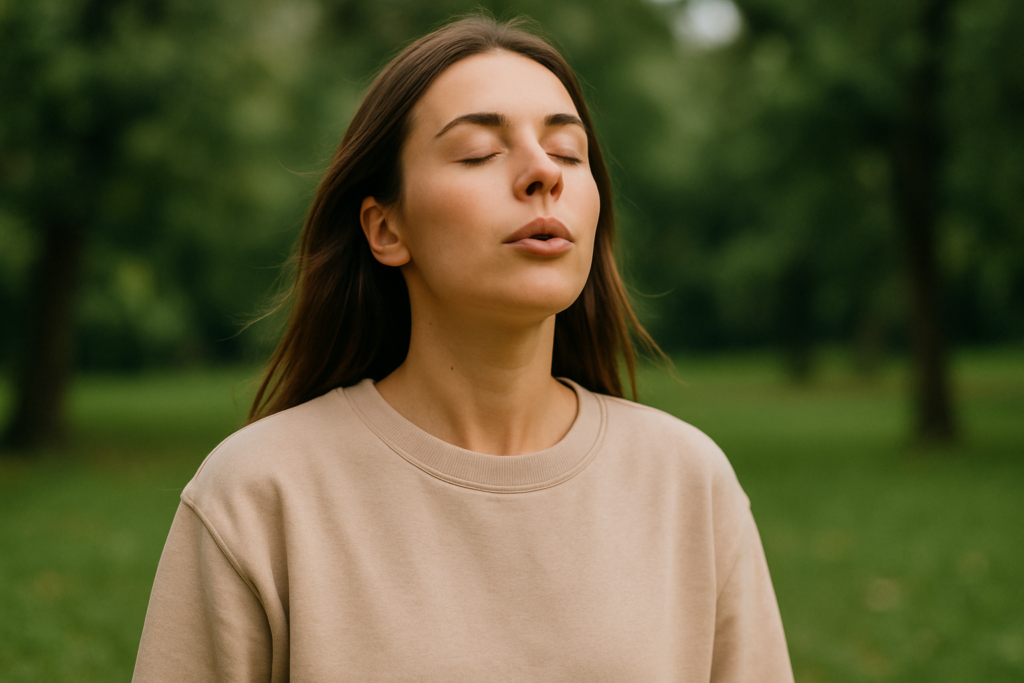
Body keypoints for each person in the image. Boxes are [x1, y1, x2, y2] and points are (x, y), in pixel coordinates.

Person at [132, 16, 793, 683]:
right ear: (386, 229)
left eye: (568, 153)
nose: (543, 173)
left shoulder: (688, 483)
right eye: (479, 152)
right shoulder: (258, 493)